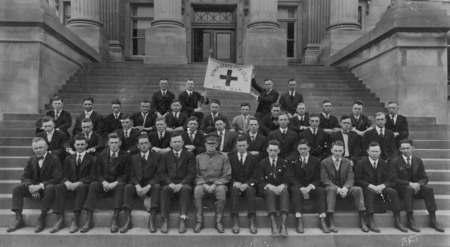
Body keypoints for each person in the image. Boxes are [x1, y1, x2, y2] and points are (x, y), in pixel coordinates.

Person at [7, 137, 62, 233]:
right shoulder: (31, 159)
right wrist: (31, 187)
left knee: (50, 187)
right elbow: (25, 177)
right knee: (17, 189)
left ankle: (42, 217)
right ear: (33, 149)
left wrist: (40, 186)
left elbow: (57, 178)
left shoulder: (54, 159)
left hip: (48, 190)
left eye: (40, 147)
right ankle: (19, 219)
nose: (38, 150)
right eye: (35, 148)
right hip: (35, 188)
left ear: (46, 147)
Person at [390, 139, 444, 233]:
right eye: (403, 148)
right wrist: (410, 184)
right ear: (400, 149)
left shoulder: (417, 160)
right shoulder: (394, 161)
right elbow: (394, 180)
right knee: (408, 189)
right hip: (402, 188)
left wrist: (418, 184)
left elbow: (424, 178)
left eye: (408, 148)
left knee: (428, 189)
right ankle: (410, 218)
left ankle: (433, 219)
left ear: (413, 148)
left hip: (416, 187)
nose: (406, 150)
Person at [80, 133, 130, 233]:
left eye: (116, 142)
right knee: (94, 185)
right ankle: (89, 219)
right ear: (108, 143)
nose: (114, 145)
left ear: (120, 143)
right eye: (112, 142)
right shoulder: (101, 155)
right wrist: (103, 182)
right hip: (105, 183)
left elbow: (127, 173)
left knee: (121, 186)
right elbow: (97, 172)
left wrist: (115, 183)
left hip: (116, 184)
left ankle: (115, 219)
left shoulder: (126, 155)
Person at [355, 142, 407, 233]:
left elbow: (390, 180)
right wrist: (371, 186)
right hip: (367, 188)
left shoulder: (384, 163)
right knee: (370, 191)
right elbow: (357, 179)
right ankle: (370, 220)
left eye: (376, 151)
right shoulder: (361, 163)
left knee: (392, 192)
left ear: (380, 152)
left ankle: (397, 220)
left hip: (380, 188)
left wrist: (382, 186)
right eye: (372, 151)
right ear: (368, 151)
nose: (374, 153)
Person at [321, 141, 368, 233]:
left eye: (340, 151)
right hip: (332, 188)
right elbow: (325, 180)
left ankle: (362, 219)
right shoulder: (325, 162)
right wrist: (338, 189)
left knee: (358, 189)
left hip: (345, 188)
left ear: (343, 151)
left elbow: (350, 178)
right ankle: (330, 219)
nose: (338, 153)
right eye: (335, 150)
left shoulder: (347, 162)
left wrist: (345, 188)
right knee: (331, 189)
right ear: (331, 150)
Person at [52, 134, 96, 233]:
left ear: (86, 145)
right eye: (78, 144)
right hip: (70, 184)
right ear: (74, 146)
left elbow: (93, 176)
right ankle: (60, 218)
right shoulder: (69, 158)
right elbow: (63, 174)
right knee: (59, 187)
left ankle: (75, 219)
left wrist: (79, 182)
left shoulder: (92, 158)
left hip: (83, 185)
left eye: (82, 144)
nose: (80, 147)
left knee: (81, 187)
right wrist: (66, 182)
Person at [286, 139, 329, 233]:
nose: (303, 151)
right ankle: (299, 218)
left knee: (321, 190)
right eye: (300, 149)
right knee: (295, 191)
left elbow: (318, 178)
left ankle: (322, 219)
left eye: (305, 148)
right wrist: (301, 188)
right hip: (298, 186)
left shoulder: (316, 161)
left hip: (310, 186)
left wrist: (310, 187)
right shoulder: (291, 160)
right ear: (297, 149)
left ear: (309, 148)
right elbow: (291, 177)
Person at [121, 134, 160, 233]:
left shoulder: (157, 157)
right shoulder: (134, 158)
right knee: (128, 187)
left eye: (146, 143)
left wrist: (148, 186)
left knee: (157, 186)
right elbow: (131, 173)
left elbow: (159, 174)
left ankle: (152, 219)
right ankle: (127, 220)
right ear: (138, 146)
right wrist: (137, 185)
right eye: (141, 144)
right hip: (138, 186)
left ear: (150, 144)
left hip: (150, 187)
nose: (144, 145)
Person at [158, 132, 196, 234]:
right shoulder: (165, 155)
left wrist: (181, 184)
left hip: (184, 183)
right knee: (165, 189)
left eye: (179, 141)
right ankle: (165, 220)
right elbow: (161, 172)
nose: (177, 144)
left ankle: (182, 220)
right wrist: (170, 183)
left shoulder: (189, 155)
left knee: (186, 189)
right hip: (170, 183)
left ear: (183, 143)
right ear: (170, 144)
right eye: (174, 142)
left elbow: (191, 173)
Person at [194, 133, 231, 233]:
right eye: (209, 144)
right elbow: (196, 174)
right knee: (197, 191)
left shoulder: (223, 157)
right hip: (203, 184)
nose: (211, 146)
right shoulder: (199, 157)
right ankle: (199, 221)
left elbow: (227, 174)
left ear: (217, 145)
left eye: (213, 144)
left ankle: (218, 221)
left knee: (221, 191)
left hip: (218, 185)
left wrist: (215, 184)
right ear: (205, 145)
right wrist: (204, 184)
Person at [257, 140, 290, 237]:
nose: (273, 153)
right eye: (271, 150)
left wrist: (282, 185)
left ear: (279, 150)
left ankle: (283, 225)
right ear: (267, 150)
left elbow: (287, 179)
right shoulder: (262, 163)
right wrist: (269, 186)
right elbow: (260, 180)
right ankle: (273, 224)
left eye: (275, 150)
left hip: (280, 188)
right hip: (267, 189)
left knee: (285, 192)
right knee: (270, 193)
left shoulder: (284, 162)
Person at [228, 136, 259, 234]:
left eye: (243, 145)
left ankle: (252, 221)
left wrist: (247, 184)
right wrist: (234, 182)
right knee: (234, 190)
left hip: (248, 184)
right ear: (236, 146)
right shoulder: (231, 159)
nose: (241, 147)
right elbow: (227, 174)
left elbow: (256, 175)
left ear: (247, 146)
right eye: (239, 145)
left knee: (250, 190)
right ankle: (235, 221)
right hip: (236, 184)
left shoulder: (253, 159)